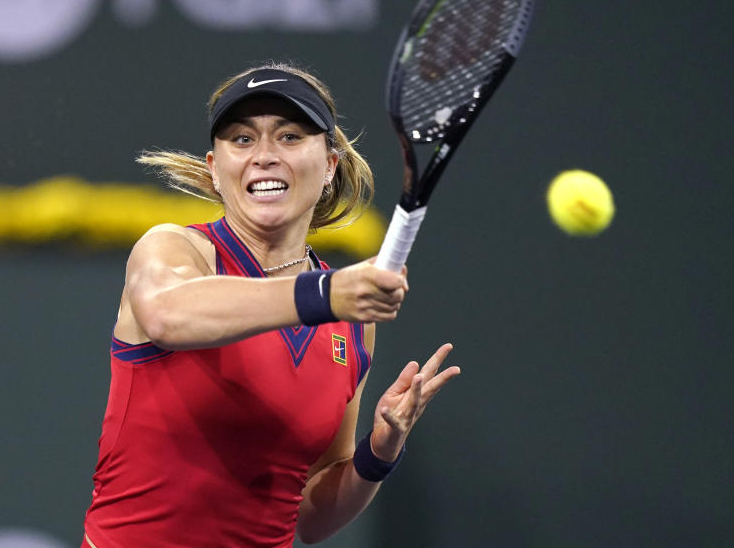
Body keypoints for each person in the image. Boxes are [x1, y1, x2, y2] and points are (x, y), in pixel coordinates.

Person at [81, 62, 460, 548]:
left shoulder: (350, 324)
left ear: (329, 165)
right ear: (216, 170)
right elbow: (166, 314)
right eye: (241, 139)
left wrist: (379, 453)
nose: (263, 155)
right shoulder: (174, 249)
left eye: (289, 136)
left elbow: (311, 519)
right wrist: (326, 294)